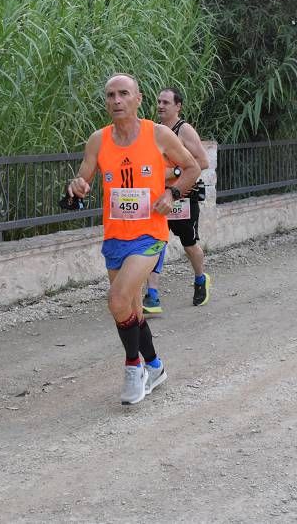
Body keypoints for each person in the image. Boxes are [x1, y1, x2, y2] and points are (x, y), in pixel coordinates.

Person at [67, 74, 200, 405]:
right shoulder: (98, 140)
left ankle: (133, 366)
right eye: (111, 95)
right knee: (128, 307)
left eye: (124, 94)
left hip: (149, 234)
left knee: (116, 299)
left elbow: (192, 167)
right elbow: (82, 180)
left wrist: (172, 192)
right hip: (115, 236)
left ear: (138, 99)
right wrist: (77, 188)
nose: (116, 100)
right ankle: (155, 366)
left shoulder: (158, 135)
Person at [142, 88, 211, 314]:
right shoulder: (155, 131)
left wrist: (174, 174)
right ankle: (152, 295)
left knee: (189, 244)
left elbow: (202, 162)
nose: (160, 106)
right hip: (158, 198)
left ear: (178, 106)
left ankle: (200, 278)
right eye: (158, 102)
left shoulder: (184, 130)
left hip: (182, 196)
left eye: (166, 102)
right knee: (155, 243)